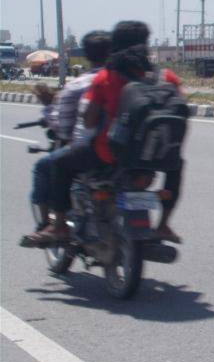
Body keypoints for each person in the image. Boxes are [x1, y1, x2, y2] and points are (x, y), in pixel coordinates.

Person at [21, 21, 185, 247]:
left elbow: (88, 122)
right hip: (153, 158)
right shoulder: (167, 78)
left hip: (108, 154)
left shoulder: (107, 77)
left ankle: (59, 226)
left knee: (59, 163)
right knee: (176, 164)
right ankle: (164, 224)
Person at [26, 31, 111, 234]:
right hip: (124, 149)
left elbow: (63, 130)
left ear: (87, 56)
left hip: (91, 150)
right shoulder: (126, 81)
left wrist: (48, 106)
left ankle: (54, 224)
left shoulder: (77, 85)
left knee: (46, 165)